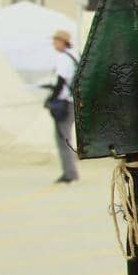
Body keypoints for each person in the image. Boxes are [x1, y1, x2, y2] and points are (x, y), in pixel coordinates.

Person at [48, 29, 79, 183]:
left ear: (62, 42)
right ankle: (70, 172)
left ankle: (69, 173)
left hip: (64, 102)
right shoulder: (74, 56)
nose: (54, 43)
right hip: (73, 102)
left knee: (62, 139)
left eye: (55, 41)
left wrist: (50, 99)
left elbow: (60, 82)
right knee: (66, 137)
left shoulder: (62, 58)